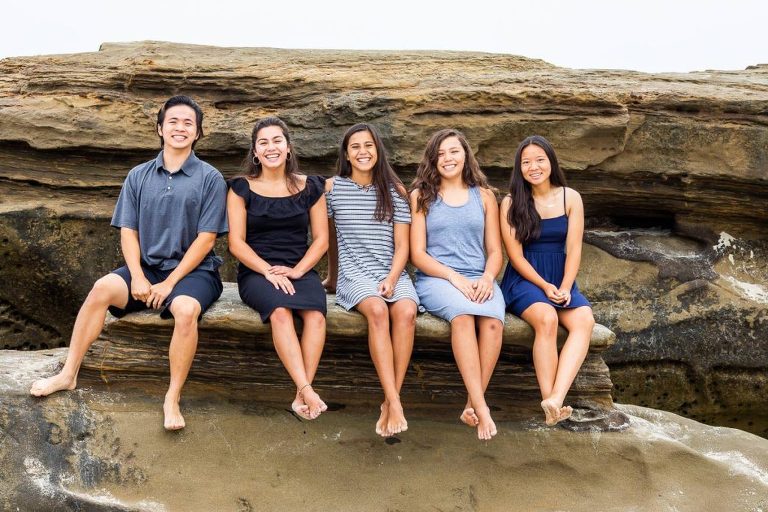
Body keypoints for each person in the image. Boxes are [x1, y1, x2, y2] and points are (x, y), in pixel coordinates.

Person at [30, 95, 228, 431]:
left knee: (185, 310)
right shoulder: (138, 175)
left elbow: (207, 238)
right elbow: (128, 231)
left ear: (197, 133)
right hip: (147, 267)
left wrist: (168, 283)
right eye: (173, 122)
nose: (180, 128)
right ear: (160, 128)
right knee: (101, 289)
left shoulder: (210, 178)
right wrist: (137, 275)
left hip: (195, 271)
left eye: (188, 123)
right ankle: (68, 373)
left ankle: (172, 397)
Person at [227, 116, 329, 420]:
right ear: (255, 153)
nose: (271, 147)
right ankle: (307, 390)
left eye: (276, 141)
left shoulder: (311, 186)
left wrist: (298, 270)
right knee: (281, 313)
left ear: (288, 147)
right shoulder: (240, 188)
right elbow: (236, 243)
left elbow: (322, 239)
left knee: (315, 316)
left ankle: (301, 393)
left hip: (300, 269)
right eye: (263, 142)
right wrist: (267, 270)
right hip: (257, 272)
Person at [324, 123, 419, 437]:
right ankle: (395, 401)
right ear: (347, 155)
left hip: (391, 271)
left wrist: (393, 278)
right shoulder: (333, 188)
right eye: (355, 147)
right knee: (378, 311)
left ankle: (391, 400)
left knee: (405, 311)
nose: (362, 152)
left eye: (368, 146)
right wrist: (332, 278)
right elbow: (331, 240)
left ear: (378, 151)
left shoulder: (395, 192)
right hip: (355, 275)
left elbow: (403, 246)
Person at [410, 129, 505, 441]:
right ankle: (483, 407)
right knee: (463, 319)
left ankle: (471, 403)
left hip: (480, 277)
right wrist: (454, 278)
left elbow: (495, 252)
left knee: (492, 323)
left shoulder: (485, 196)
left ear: (466, 155)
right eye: (441, 154)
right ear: (432, 161)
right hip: (438, 278)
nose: (447, 159)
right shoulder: (421, 197)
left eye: (454, 152)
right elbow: (417, 255)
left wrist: (488, 278)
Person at [499, 135, 595, 426]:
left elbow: (574, 248)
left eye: (540, 159)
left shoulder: (570, 197)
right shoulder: (511, 203)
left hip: (560, 276)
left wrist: (566, 286)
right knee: (547, 318)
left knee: (585, 321)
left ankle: (556, 397)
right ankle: (549, 401)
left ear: (551, 162)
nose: (534, 166)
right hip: (525, 279)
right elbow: (515, 256)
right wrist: (544, 286)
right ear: (519, 168)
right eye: (526, 162)